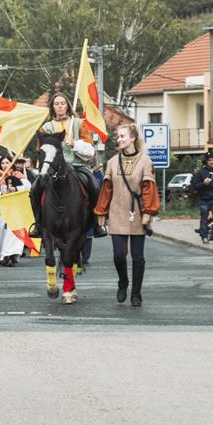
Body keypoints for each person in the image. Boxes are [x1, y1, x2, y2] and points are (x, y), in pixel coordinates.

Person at [94, 124, 160, 306]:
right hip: (117, 211)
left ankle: (136, 294)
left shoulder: (145, 161)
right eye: (118, 136)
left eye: (123, 136)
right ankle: (123, 282)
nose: (119, 139)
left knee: (138, 256)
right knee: (119, 255)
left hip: (138, 212)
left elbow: (149, 188)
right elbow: (106, 189)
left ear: (132, 138)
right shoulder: (112, 162)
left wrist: (148, 212)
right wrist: (101, 210)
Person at [28, 92, 106, 239]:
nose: (59, 106)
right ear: (53, 107)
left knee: (94, 185)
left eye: (62, 103)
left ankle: (96, 224)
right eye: (56, 104)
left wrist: (74, 144)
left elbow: (90, 151)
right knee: (34, 189)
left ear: (67, 106)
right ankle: (38, 224)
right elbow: (41, 150)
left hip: (77, 165)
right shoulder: (46, 127)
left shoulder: (79, 124)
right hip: (53, 168)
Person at [191, 152, 213, 244]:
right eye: (209, 160)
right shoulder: (201, 172)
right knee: (204, 219)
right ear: (206, 161)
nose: (211, 162)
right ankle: (204, 236)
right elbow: (194, 185)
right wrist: (203, 184)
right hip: (204, 199)